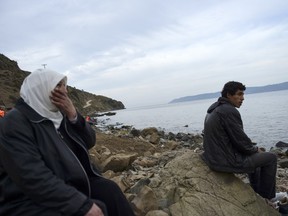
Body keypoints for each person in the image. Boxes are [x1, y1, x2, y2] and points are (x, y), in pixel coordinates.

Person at [0, 69, 135, 216]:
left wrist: (74, 115)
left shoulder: (59, 116)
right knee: (96, 208)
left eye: (64, 85)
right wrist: (81, 205)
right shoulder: (15, 122)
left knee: (110, 191)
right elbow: (31, 176)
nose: (65, 91)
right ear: (41, 90)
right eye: (58, 85)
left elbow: (90, 141)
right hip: (28, 200)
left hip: (69, 182)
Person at [201, 81, 277, 204]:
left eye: (243, 95)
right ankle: (268, 198)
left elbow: (234, 139)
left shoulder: (214, 109)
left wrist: (252, 149)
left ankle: (257, 194)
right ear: (229, 95)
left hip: (213, 158)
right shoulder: (228, 111)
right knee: (271, 158)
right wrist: (255, 149)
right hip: (224, 161)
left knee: (255, 157)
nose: (242, 98)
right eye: (239, 94)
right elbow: (241, 141)